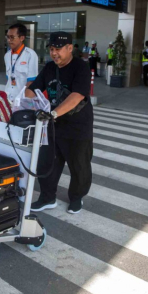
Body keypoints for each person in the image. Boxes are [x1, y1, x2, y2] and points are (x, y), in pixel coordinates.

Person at [27, 31, 93, 215]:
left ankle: (76, 197)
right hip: (53, 126)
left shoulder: (81, 67)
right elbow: (33, 90)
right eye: (51, 49)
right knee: (48, 163)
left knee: (79, 165)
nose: (54, 53)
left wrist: (54, 113)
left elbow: (78, 95)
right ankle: (47, 197)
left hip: (78, 126)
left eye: (58, 49)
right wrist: (20, 102)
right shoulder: (49, 68)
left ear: (70, 48)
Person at [3, 23, 39, 102]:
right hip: (8, 98)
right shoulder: (7, 55)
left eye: (12, 37)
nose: (9, 40)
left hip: (22, 101)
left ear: (22, 38)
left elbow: (31, 81)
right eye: (8, 37)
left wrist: (21, 99)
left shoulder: (30, 55)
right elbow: (9, 79)